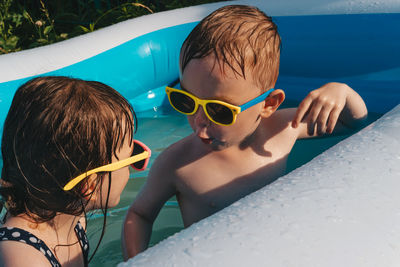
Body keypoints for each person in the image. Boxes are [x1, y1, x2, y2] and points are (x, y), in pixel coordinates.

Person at [122, 4, 368, 259]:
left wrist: (343, 92)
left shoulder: (284, 130)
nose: (198, 122)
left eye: (219, 111)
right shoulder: (177, 163)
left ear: (268, 105)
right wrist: (136, 260)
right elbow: (139, 215)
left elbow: (354, 123)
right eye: (185, 101)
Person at [0, 76, 151, 267]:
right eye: (133, 157)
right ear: (88, 186)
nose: (137, 164)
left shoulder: (73, 215)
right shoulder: (22, 257)